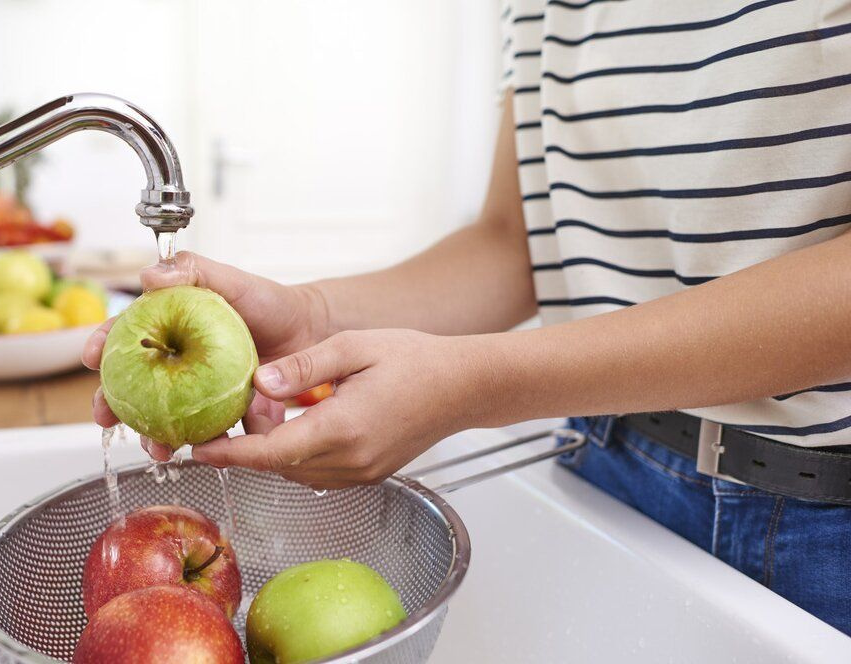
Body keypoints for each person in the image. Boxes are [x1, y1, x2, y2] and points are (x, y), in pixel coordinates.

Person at [84, 1, 851, 636]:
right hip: (605, 461)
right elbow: (514, 243)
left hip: (815, 525)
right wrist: (312, 316)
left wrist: (479, 385)